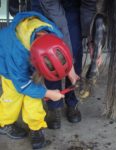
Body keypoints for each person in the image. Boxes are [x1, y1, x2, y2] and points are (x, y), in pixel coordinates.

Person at [0, 11, 79, 149]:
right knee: (12, 97)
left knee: (34, 98)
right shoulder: (15, 54)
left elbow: (62, 53)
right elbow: (23, 86)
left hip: (26, 59)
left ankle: (36, 127)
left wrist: (71, 73)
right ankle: (5, 123)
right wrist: (48, 93)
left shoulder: (52, 32)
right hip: (9, 68)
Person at [31, 0, 83, 129]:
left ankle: (71, 99)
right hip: (45, 4)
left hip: (72, 5)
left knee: (75, 47)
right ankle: (54, 105)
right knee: (49, 51)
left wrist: (93, 42)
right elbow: (58, 21)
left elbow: (90, 7)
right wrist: (69, 64)